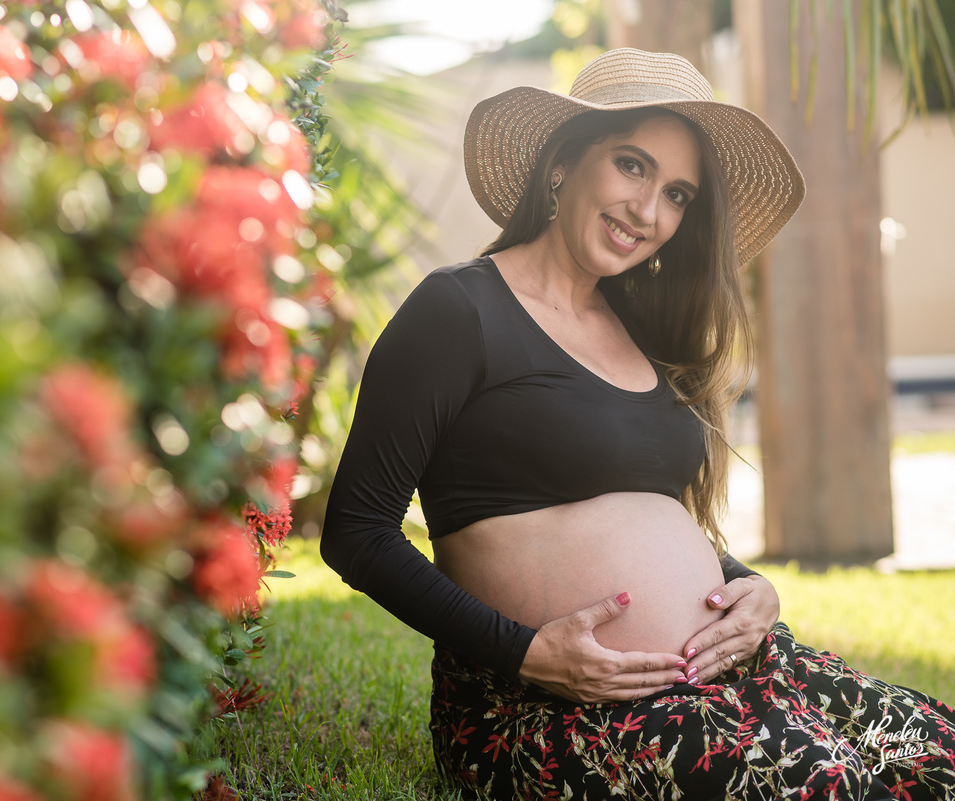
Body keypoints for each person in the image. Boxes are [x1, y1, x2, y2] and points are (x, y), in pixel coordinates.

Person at [320, 48, 955, 800]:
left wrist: (747, 587)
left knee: (935, 755)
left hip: (731, 675)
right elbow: (356, 531)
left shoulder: (639, 327)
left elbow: (646, 509)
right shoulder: (458, 310)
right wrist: (527, 654)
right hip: (547, 708)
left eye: (678, 194)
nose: (649, 212)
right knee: (828, 784)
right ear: (563, 162)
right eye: (632, 166)